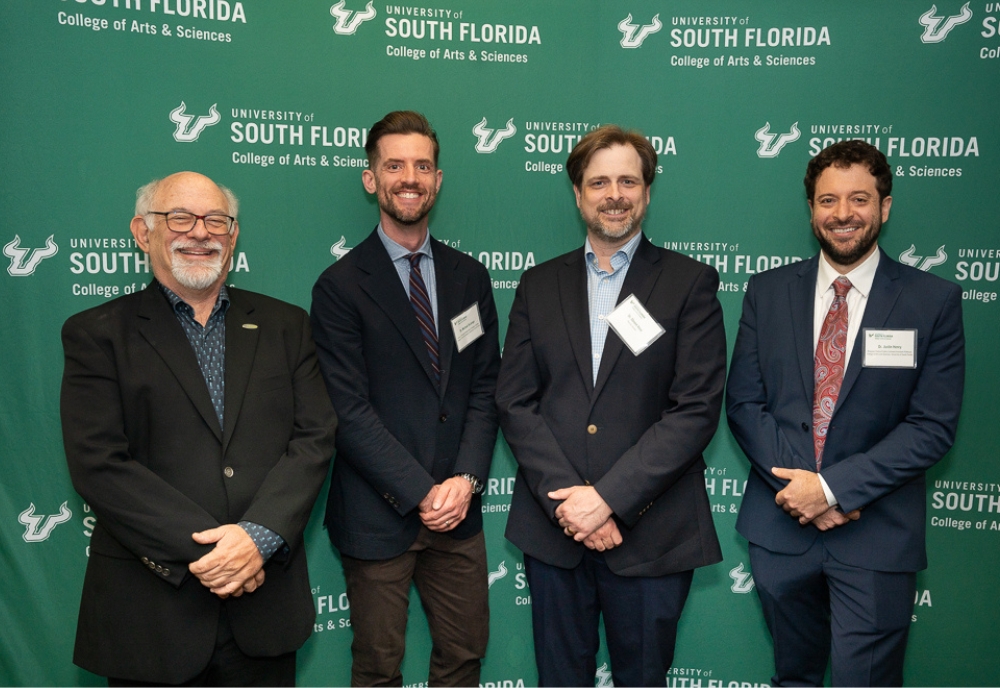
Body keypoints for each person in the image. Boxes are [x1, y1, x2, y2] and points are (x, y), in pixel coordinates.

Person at [60, 171, 337, 686]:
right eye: (180, 218)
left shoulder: (286, 325)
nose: (200, 232)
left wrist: (258, 537)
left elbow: (314, 438)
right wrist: (220, 554)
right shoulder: (96, 334)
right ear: (143, 233)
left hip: (265, 613)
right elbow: (99, 464)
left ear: (233, 236)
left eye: (216, 220)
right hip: (152, 616)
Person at [726, 140, 965, 686]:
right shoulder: (767, 292)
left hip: (876, 534)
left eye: (859, 199)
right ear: (811, 209)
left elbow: (932, 426)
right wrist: (803, 493)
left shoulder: (933, 302)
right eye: (827, 200)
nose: (842, 214)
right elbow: (744, 403)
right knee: (794, 677)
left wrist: (831, 490)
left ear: (884, 206)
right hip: (781, 530)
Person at [496, 125, 726, 687]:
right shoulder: (537, 284)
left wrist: (608, 500)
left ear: (647, 192)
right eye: (599, 182)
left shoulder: (689, 283)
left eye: (628, 180)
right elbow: (515, 400)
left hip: (653, 536)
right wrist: (573, 507)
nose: (614, 193)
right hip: (556, 532)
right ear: (578, 194)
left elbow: (694, 409)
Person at [310, 111, 500, 687]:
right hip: (378, 513)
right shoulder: (340, 287)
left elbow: (486, 386)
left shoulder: (470, 277)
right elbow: (348, 409)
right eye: (394, 165)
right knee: (377, 667)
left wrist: (464, 478)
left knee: (465, 654)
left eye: (422, 165)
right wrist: (422, 492)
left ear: (438, 179)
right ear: (372, 179)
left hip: (458, 511)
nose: (409, 177)